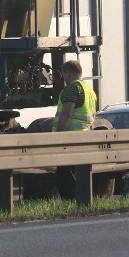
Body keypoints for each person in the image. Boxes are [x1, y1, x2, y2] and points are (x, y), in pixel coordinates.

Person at [51, 60, 98, 199]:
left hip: (69, 139)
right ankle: (82, 201)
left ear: (67, 73)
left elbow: (67, 113)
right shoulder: (89, 90)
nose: (63, 78)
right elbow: (93, 115)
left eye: (63, 74)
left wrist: (58, 136)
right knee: (77, 174)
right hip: (84, 138)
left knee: (65, 177)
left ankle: (72, 202)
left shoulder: (72, 89)